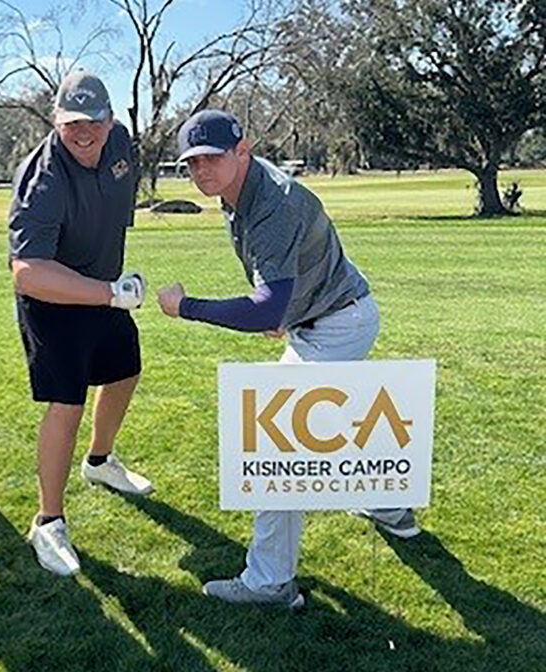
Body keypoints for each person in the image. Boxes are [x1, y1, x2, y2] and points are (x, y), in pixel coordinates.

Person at [156, 110, 419, 607]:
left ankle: (270, 582)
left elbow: (266, 306)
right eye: (192, 162)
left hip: (336, 324)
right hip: (332, 314)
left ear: (243, 150)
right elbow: (277, 289)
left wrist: (186, 307)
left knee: (276, 443)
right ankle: (392, 509)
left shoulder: (270, 205)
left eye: (212, 157)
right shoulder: (241, 191)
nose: (201, 170)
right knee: (321, 426)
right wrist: (283, 310)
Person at [8, 71, 154, 576]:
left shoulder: (120, 145)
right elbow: (27, 272)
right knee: (65, 405)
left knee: (124, 372)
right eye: (72, 124)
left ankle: (99, 463)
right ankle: (48, 522)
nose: (84, 132)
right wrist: (109, 293)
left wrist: (109, 287)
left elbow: (114, 211)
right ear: (56, 121)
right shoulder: (42, 177)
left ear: (111, 120)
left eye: (94, 121)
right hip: (53, 298)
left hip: (103, 288)